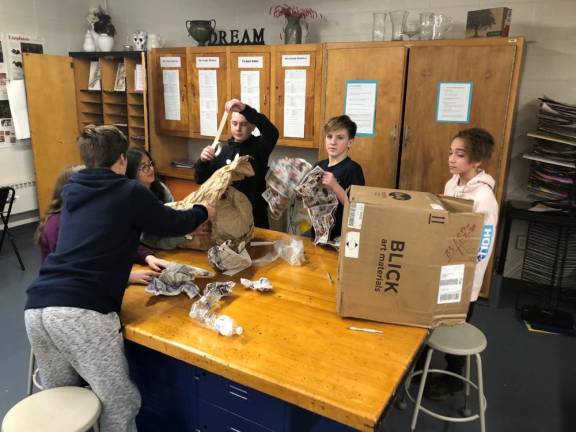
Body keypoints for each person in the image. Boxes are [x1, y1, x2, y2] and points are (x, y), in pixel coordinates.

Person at [25, 125, 214, 432]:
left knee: (62, 402)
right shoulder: (129, 191)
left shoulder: (74, 190)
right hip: (82, 313)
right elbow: (171, 222)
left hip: (38, 309)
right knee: (120, 403)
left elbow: (103, 234)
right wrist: (203, 210)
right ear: (122, 160)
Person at [425, 127, 498, 400]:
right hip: (444, 266)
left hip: (464, 275)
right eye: (450, 152)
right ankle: (421, 365)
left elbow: (483, 246)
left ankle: (454, 377)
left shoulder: (484, 199)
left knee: (456, 326)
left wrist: (465, 272)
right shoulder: (452, 183)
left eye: (460, 154)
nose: (452, 159)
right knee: (434, 320)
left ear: (477, 161)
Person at [35, 163, 168, 285]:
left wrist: (147, 257)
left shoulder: (90, 214)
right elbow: (76, 269)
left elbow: (118, 238)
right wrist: (126, 277)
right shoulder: (56, 225)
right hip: (63, 291)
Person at [194, 98, 279, 229]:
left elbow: (272, 132)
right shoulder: (221, 150)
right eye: (234, 124)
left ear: (253, 126)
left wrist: (245, 109)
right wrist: (202, 161)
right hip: (226, 216)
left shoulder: (260, 147)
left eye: (244, 124)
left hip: (254, 215)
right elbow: (200, 179)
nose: (238, 128)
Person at [314, 115, 365, 241]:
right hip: (317, 233)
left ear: (350, 142)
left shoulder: (353, 169)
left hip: (339, 238)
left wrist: (335, 186)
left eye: (340, 137)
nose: (333, 142)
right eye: (329, 136)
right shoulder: (319, 166)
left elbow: (357, 211)